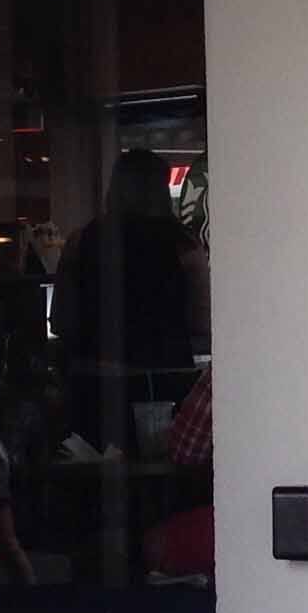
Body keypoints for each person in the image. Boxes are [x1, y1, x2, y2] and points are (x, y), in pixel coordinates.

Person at [56, 150, 198, 452]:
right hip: (165, 384)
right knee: (168, 483)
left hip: (96, 386)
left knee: (93, 484)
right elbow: (203, 321)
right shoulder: (184, 247)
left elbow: (62, 321)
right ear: (161, 189)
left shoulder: (80, 242)